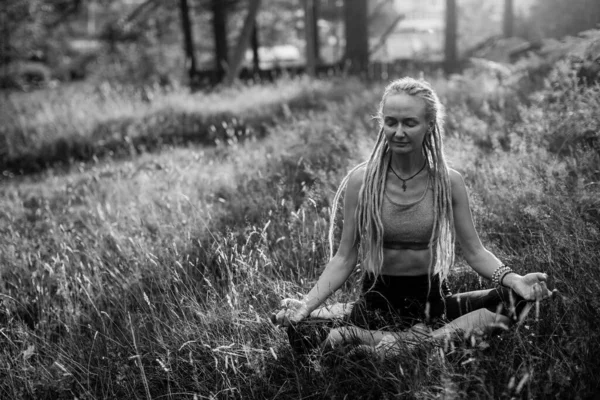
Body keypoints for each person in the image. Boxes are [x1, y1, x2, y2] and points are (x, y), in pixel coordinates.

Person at [273, 77, 553, 356]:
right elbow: (345, 258)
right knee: (300, 330)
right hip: (376, 303)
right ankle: (410, 340)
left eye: (409, 123)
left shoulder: (448, 181)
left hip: (432, 303)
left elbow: (475, 251)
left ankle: (399, 342)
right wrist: (306, 305)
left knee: (517, 299)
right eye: (390, 122)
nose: (398, 131)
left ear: (429, 124)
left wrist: (513, 278)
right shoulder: (363, 181)